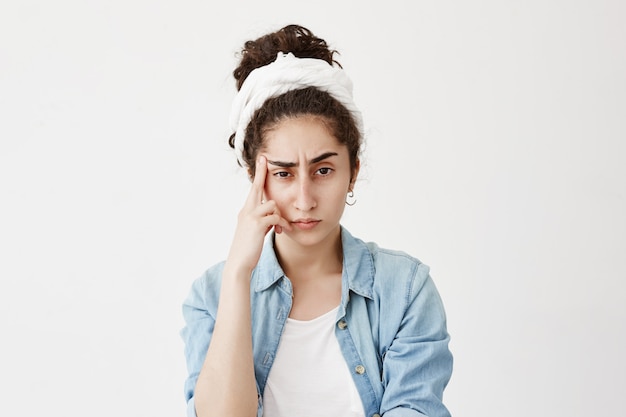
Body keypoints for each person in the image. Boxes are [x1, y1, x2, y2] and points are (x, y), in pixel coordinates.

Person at [180, 24, 453, 417]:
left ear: (352, 172)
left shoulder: (405, 291)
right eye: (283, 173)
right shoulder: (210, 297)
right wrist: (239, 273)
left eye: (323, 171)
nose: (305, 200)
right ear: (254, 178)